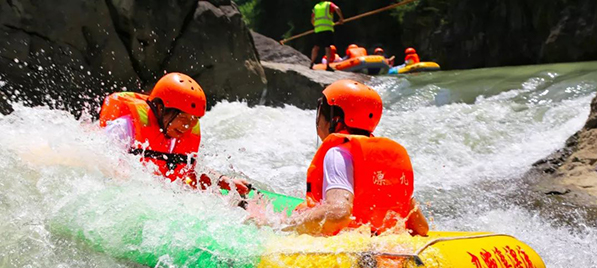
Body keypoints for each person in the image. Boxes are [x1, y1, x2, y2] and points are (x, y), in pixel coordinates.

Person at [283, 79, 429, 236]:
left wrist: (286, 226)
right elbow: (420, 227)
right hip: (386, 246)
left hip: (353, 251)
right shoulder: (391, 157)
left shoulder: (338, 153)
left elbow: (338, 214)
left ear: (335, 121)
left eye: (320, 113)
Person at [99, 72, 250, 194]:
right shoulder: (124, 128)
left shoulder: (179, 135)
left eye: (194, 120)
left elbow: (189, 174)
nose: (187, 126)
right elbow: (99, 167)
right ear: (159, 108)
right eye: (182, 117)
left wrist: (224, 182)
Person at [310, 1, 344, 68]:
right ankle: (328, 65)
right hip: (327, 28)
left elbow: (312, 19)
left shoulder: (316, 6)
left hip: (318, 29)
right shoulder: (329, 4)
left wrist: (316, 25)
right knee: (327, 47)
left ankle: (311, 62)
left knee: (316, 47)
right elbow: (337, 8)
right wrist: (341, 18)